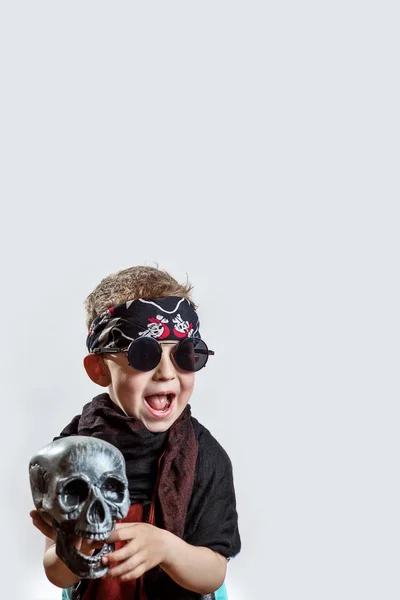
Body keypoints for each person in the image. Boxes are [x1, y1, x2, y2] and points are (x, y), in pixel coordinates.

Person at [30, 265, 241, 600]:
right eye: (144, 355)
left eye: (186, 354)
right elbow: (57, 572)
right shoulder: (71, 451)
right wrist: (73, 550)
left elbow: (213, 573)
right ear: (99, 369)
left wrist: (167, 549)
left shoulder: (205, 456)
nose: (167, 374)